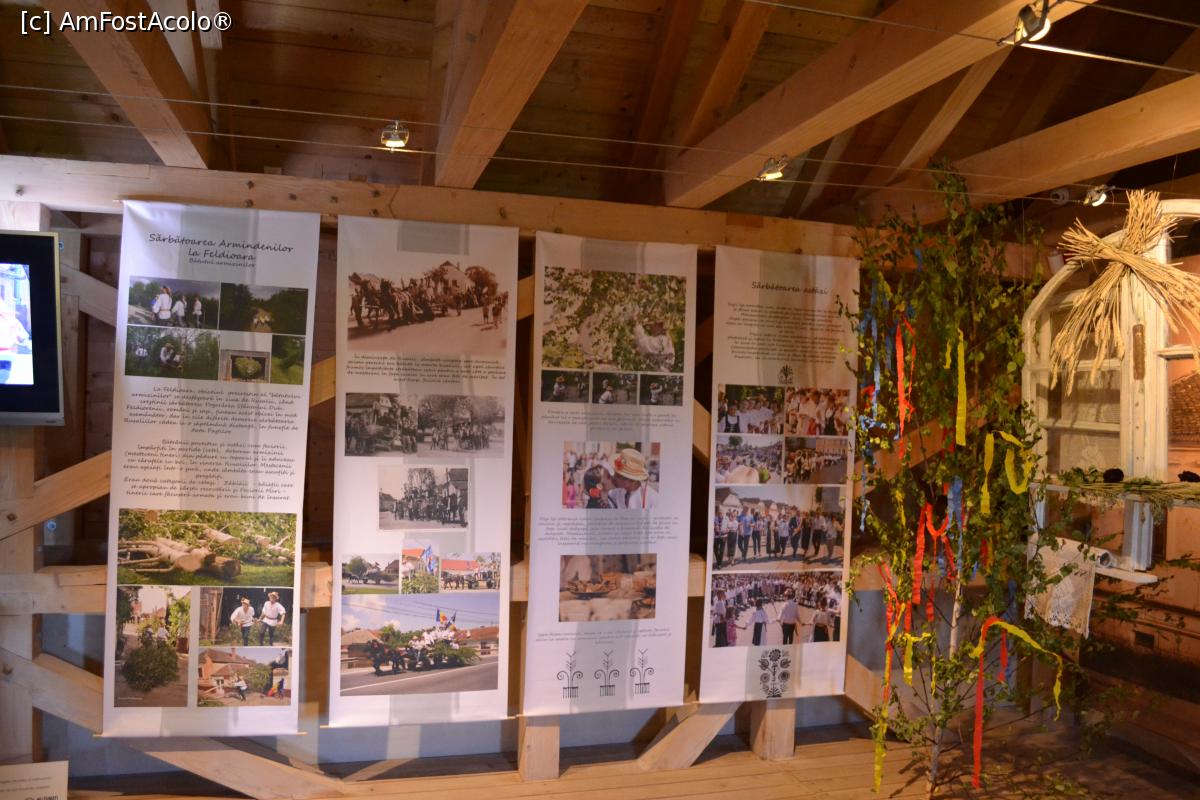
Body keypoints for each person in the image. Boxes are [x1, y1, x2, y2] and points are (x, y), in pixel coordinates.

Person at [0, 300, 30, 384]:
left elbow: (24, 338)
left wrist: (18, 335)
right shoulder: (11, 321)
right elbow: (24, 339)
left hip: (5, 358)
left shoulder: (12, 321)